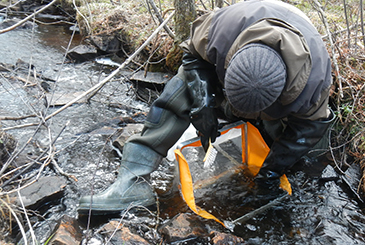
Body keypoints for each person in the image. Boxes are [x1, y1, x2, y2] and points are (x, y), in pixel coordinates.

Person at [78, 0, 334, 214]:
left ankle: (269, 140)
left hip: (288, 88)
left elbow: (309, 129)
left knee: (293, 147)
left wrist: (270, 173)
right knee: (183, 85)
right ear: (229, 60)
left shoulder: (314, 84)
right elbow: (191, 56)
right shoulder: (222, 30)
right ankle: (132, 177)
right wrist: (205, 101)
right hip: (248, 34)